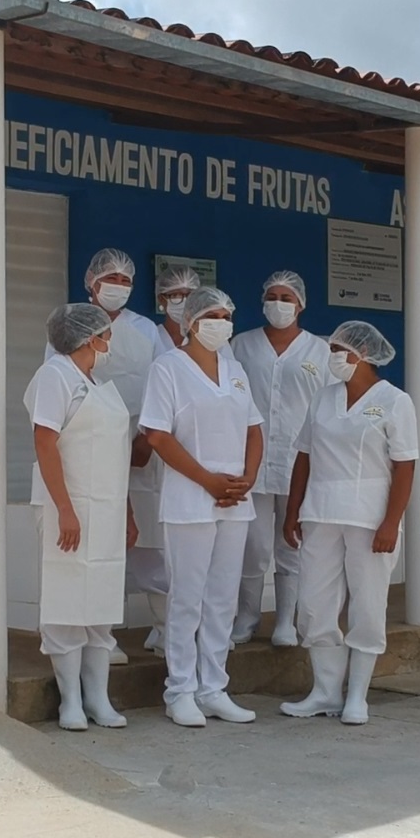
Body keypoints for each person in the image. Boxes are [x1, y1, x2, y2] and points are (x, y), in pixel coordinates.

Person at [280, 321, 417, 726]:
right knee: (314, 603)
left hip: (369, 515)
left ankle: (357, 694)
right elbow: (303, 455)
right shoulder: (323, 398)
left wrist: (392, 522)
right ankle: (324, 691)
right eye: (333, 349)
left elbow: (405, 465)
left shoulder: (395, 401)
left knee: (369, 604)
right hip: (320, 512)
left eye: (341, 349)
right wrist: (293, 510)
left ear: (364, 355)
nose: (334, 356)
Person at [140, 286, 264, 727]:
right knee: (187, 597)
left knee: (222, 599)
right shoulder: (167, 368)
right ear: (191, 321)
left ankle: (214, 687)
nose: (222, 322)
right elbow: (157, 435)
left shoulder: (235, 371)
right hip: (191, 498)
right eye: (212, 314)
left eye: (228, 314)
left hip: (235, 499)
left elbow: (253, 429)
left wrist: (245, 478)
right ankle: (180, 690)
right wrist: (208, 480)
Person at [23, 303, 136, 732]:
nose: (111, 341)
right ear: (91, 338)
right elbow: (45, 442)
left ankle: (98, 698)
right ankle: (70, 699)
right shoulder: (55, 377)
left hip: (105, 509)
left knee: (101, 602)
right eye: (107, 333)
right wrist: (65, 509)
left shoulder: (99, 384)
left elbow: (114, 457)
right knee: (67, 601)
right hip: (65, 507)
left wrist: (124, 510)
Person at [50, 249, 163, 666]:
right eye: (110, 278)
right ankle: (101, 636)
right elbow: (59, 392)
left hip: (136, 446)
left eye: (125, 280)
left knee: (142, 542)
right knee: (95, 545)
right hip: (88, 449)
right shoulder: (70, 323)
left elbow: (159, 386)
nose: (118, 286)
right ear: (91, 282)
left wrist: (148, 440)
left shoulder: (146, 330)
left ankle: (161, 628)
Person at [229, 271, 331, 647]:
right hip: (250, 462)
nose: (279, 304)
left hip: (299, 461)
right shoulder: (241, 345)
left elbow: (328, 405)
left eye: (287, 297)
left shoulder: (320, 352)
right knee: (252, 547)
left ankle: (286, 621)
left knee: (291, 544)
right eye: (272, 296)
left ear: (301, 304)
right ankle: (247, 617)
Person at [137, 264, 202, 658]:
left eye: (188, 294)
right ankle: (163, 626)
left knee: (193, 552)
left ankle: (192, 630)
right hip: (153, 450)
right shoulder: (149, 337)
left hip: (198, 457)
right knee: (152, 548)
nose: (180, 301)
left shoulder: (213, 343)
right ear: (161, 299)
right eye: (173, 294)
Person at [152, 264, 200, 358]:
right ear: (161, 299)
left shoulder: (210, 337)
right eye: (176, 295)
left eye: (190, 295)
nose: (185, 301)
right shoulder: (151, 337)